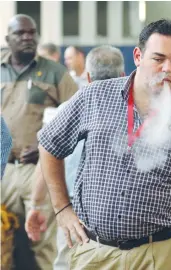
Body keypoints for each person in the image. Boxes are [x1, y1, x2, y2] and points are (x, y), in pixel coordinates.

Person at [37, 19, 171, 270]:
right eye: (158, 58)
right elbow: (49, 143)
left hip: (161, 256)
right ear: (138, 56)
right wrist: (62, 208)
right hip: (95, 253)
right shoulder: (95, 96)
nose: (167, 68)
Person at [25, 45, 125, 270]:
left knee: (67, 262)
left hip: (72, 211)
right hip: (123, 216)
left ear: (87, 77)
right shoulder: (136, 114)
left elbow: (46, 158)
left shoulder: (65, 110)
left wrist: (36, 205)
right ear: (123, 75)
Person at [1, 14, 78, 270]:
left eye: (31, 33)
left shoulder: (55, 72)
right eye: (20, 33)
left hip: (37, 171)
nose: (27, 38)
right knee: (3, 240)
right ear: (7, 39)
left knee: (43, 243)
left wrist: (45, 146)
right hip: (3, 170)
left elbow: (76, 117)